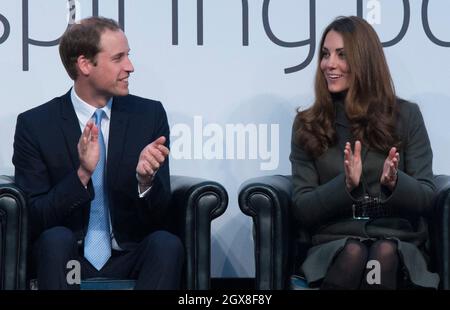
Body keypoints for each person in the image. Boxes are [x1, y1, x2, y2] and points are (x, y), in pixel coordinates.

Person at [13, 16, 184, 290]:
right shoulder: (36, 125)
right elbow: (32, 219)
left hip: (128, 255)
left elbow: (161, 216)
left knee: (166, 244)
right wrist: (82, 174)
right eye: (118, 58)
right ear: (84, 65)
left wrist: (146, 182)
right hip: (70, 263)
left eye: (128, 56)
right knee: (55, 239)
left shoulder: (148, 116)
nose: (130, 67)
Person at [290, 16, 439, 289]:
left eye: (341, 55)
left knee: (383, 252)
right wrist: (345, 185)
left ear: (364, 61)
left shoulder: (406, 116)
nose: (329, 64)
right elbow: (302, 208)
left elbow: (428, 197)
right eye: (325, 54)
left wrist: (396, 184)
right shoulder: (308, 124)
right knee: (354, 253)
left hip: (397, 239)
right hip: (333, 243)